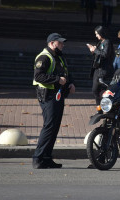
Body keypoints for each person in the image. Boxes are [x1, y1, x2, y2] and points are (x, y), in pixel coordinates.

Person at [32, 33, 76, 169]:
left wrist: (71, 83)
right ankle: (38, 158)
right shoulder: (44, 57)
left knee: (54, 127)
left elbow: (66, 72)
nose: (62, 45)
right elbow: (38, 76)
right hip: (47, 95)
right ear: (51, 43)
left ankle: (46, 157)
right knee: (49, 126)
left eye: (62, 43)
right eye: (60, 43)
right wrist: (57, 80)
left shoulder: (58, 56)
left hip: (57, 95)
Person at [87, 26, 115, 110]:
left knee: (99, 90)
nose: (96, 36)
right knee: (95, 90)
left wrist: (95, 50)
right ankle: (100, 108)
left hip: (103, 70)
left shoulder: (107, 42)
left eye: (97, 34)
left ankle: (104, 107)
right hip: (98, 69)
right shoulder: (101, 42)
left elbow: (105, 54)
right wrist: (93, 50)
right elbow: (99, 55)